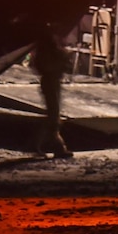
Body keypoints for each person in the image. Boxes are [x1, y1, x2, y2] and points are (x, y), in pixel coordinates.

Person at [30, 23, 73, 159]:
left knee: (53, 115)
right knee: (53, 116)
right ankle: (56, 147)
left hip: (50, 80)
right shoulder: (48, 50)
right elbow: (51, 65)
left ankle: (49, 146)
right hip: (51, 81)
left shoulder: (44, 49)